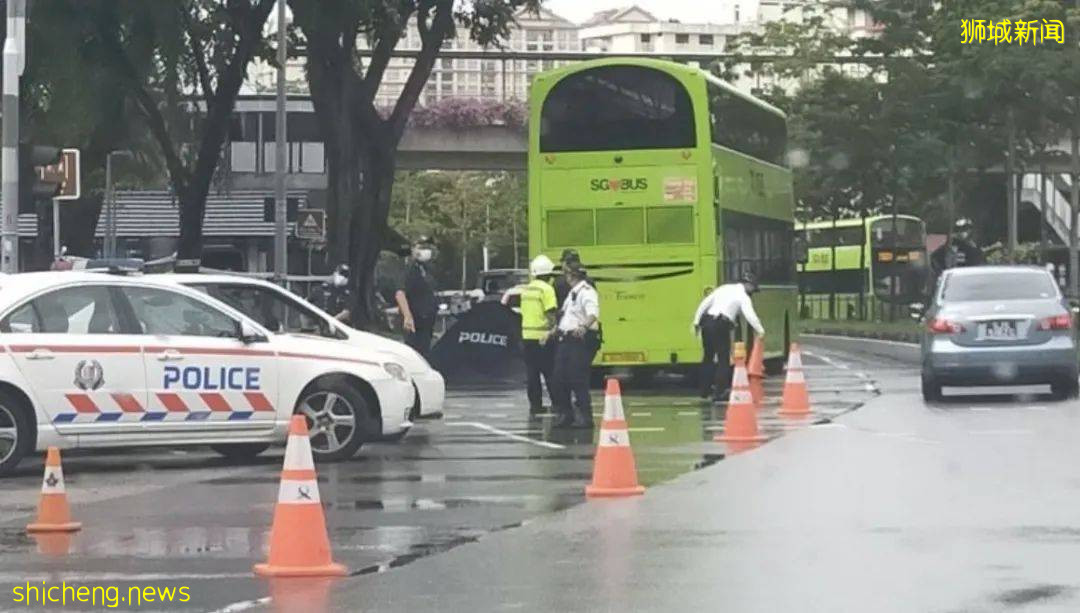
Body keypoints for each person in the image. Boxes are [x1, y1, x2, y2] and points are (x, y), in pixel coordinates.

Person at [692, 272, 765, 402]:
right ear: (748, 285)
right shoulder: (743, 297)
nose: (753, 292)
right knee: (723, 359)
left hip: (707, 323)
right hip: (721, 324)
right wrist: (760, 331)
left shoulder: (723, 288)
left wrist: (696, 322)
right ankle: (720, 391)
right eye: (753, 288)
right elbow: (750, 315)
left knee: (707, 357)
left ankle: (704, 390)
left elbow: (704, 303)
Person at [503, 255, 559, 417]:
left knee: (532, 373)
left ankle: (536, 405)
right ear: (548, 273)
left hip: (527, 336)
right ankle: (557, 403)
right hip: (543, 336)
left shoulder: (527, 289)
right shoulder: (546, 289)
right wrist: (556, 326)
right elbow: (550, 312)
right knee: (550, 372)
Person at [552, 262, 601, 429]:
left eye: (567, 274)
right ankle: (567, 415)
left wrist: (583, 327)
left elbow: (593, 314)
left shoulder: (586, 292)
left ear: (572, 275)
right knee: (559, 378)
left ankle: (586, 418)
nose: (565, 277)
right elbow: (566, 317)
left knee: (577, 379)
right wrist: (553, 332)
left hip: (579, 340)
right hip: (566, 339)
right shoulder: (572, 293)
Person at [395, 237, 438, 357]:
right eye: (421, 247)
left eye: (427, 248)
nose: (425, 251)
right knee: (413, 354)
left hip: (427, 321)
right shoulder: (409, 269)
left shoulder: (427, 269)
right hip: (414, 321)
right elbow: (400, 293)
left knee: (424, 352)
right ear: (413, 249)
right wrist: (407, 316)